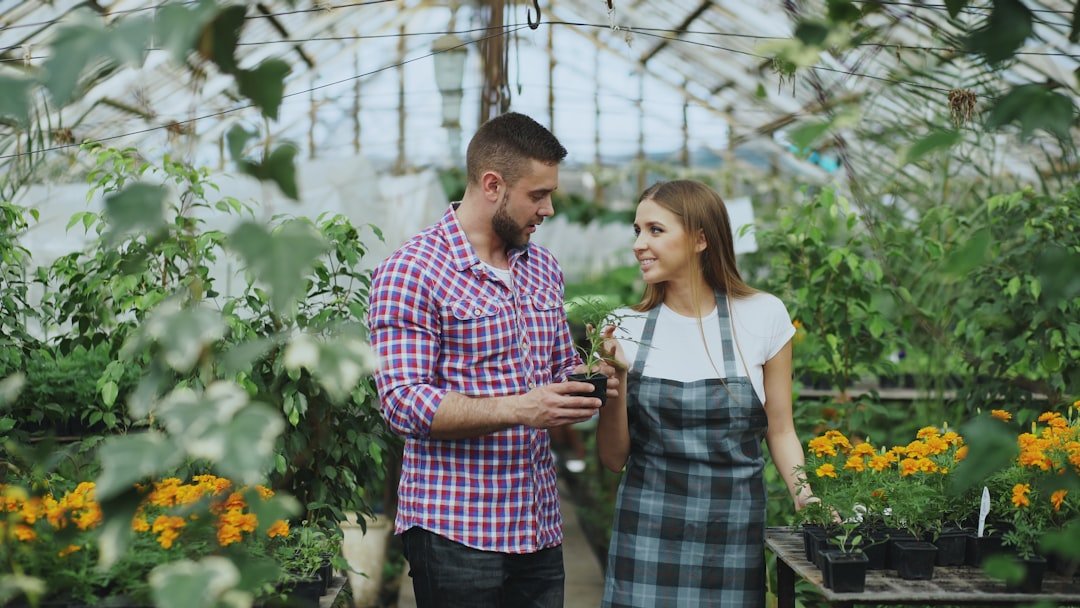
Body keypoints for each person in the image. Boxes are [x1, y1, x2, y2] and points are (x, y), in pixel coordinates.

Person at [368, 112, 612, 608]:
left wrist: (588, 375)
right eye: (537, 195)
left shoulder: (542, 265)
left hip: (539, 524)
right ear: (493, 184)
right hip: (456, 529)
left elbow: (555, 368)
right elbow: (402, 403)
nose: (547, 210)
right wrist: (521, 409)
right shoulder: (411, 271)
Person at [596, 179, 813, 607]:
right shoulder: (624, 327)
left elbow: (781, 429)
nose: (640, 243)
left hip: (732, 531)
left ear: (700, 239)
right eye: (636, 231)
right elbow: (613, 458)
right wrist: (616, 380)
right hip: (647, 529)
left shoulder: (763, 315)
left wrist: (809, 499)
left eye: (655, 230)